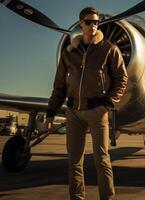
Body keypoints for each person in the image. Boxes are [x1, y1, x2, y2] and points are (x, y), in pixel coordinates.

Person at [44, 7, 128, 200]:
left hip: (98, 111)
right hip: (73, 112)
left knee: (102, 159)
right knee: (74, 161)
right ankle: (77, 197)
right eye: (89, 22)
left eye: (96, 22)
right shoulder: (69, 53)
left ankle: (107, 197)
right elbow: (59, 86)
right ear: (81, 24)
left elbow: (122, 79)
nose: (93, 25)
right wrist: (51, 112)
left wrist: (108, 104)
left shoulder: (109, 49)